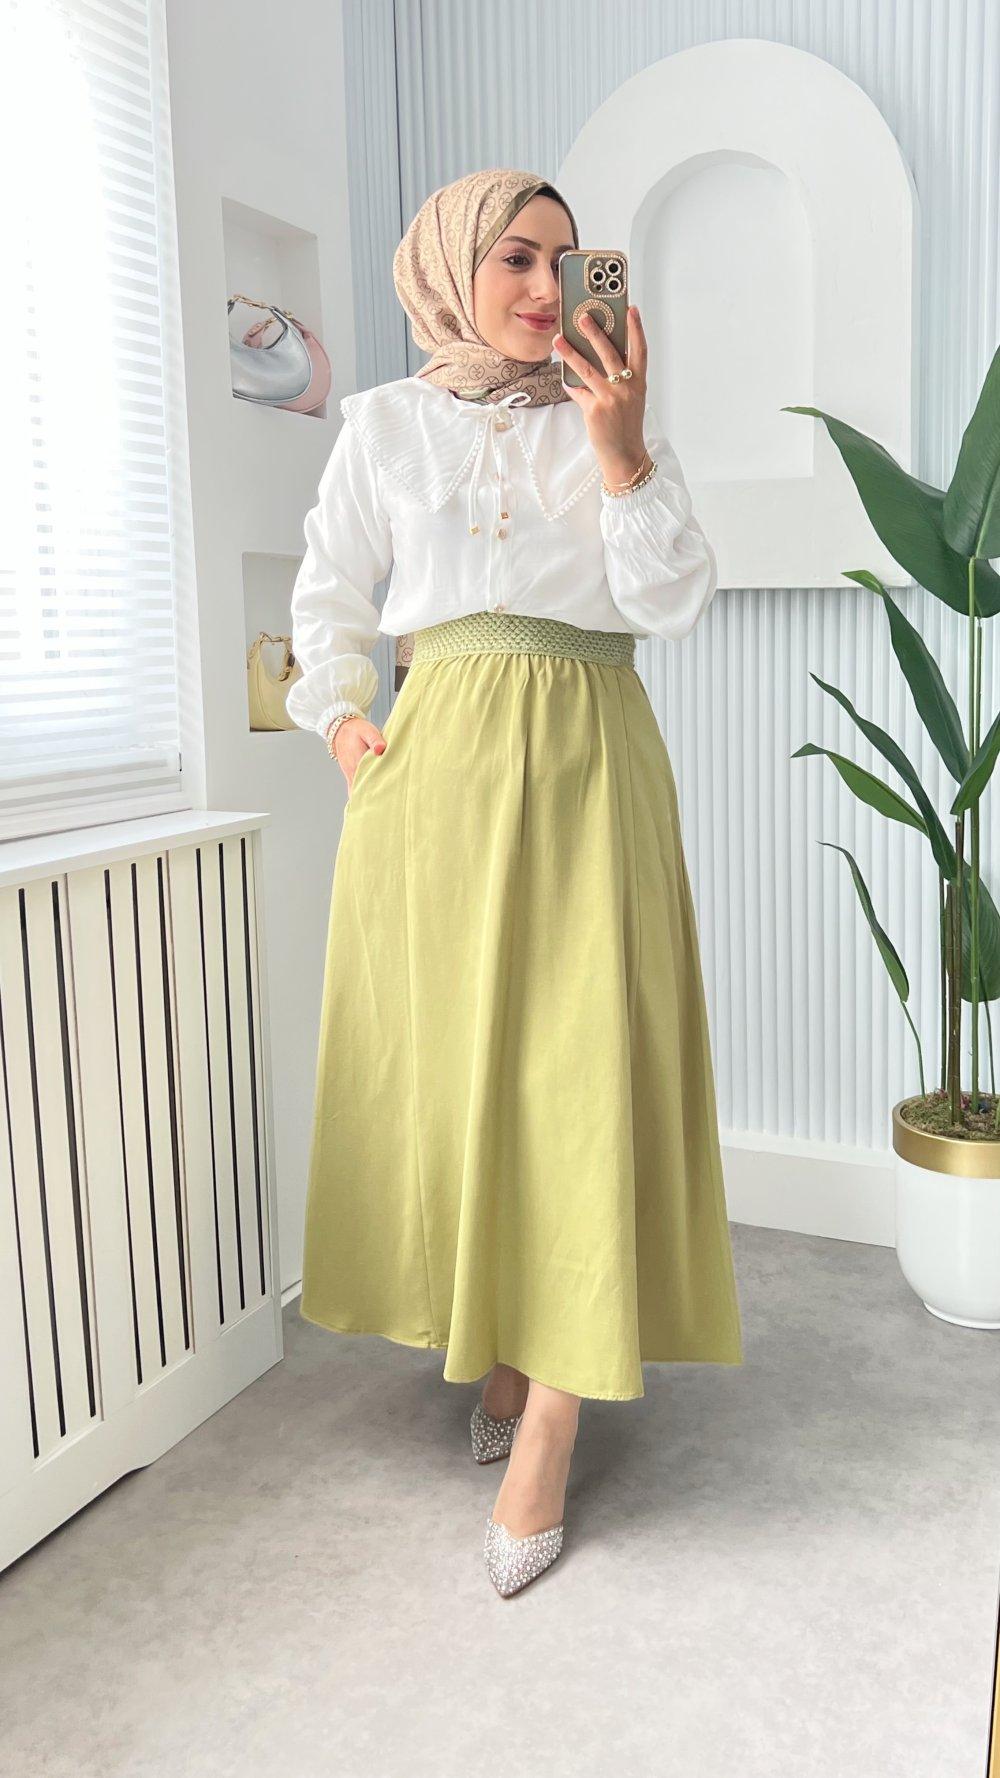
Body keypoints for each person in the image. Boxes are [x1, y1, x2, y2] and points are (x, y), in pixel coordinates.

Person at [286, 166, 743, 1598]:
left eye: (566, 261)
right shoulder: (384, 424)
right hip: (432, 783)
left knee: (577, 1079)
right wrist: (344, 723)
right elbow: (327, 594)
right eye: (516, 260)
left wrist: (621, 451)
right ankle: (497, 1339)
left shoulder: (615, 419)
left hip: (589, 765)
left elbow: (672, 600)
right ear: (452, 271)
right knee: (459, 1073)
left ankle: (553, 1414)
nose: (548, 289)